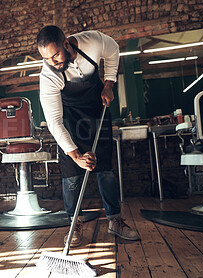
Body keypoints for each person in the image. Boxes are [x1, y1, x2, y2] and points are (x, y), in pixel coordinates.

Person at [36, 25, 140, 247]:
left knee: (106, 171)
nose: (52, 62)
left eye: (55, 55)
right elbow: (54, 122)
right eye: (46, 58)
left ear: (67, 44)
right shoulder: (48, 76)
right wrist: (75, 156)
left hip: (97, 111)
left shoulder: (91, 42)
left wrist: (109, 84)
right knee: (72, 177)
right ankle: (75, 224)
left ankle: (115, 220)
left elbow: (113, 49)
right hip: (70, 122)